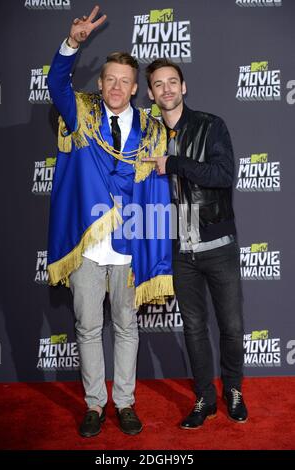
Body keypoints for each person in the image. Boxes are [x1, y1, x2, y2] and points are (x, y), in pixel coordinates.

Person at [47, 7, 173, 438]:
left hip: (128, 244)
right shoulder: (80, 113)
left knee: (125, 326)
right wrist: (72, 45)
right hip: (87, 244)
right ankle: (94, 406)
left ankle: (124, 402)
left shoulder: (152, 130)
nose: (117, 87)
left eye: (125, 81)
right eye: (110, 79)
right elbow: (55, 84)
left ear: (136, 89)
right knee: (86, 327)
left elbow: (156, 187)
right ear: (100, 84)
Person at [144, 59, 248, 429]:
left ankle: (233, 389)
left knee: (232, 327)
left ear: (184, 87)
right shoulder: (148, 134)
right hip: (179, 250)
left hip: (217, 241)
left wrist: (173, 163)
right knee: (193, 328)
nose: (167, 89)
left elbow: (223, 175)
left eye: (173, 82)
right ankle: (205, 396)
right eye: (159, 84)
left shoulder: (210, 125)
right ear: (151, 94)